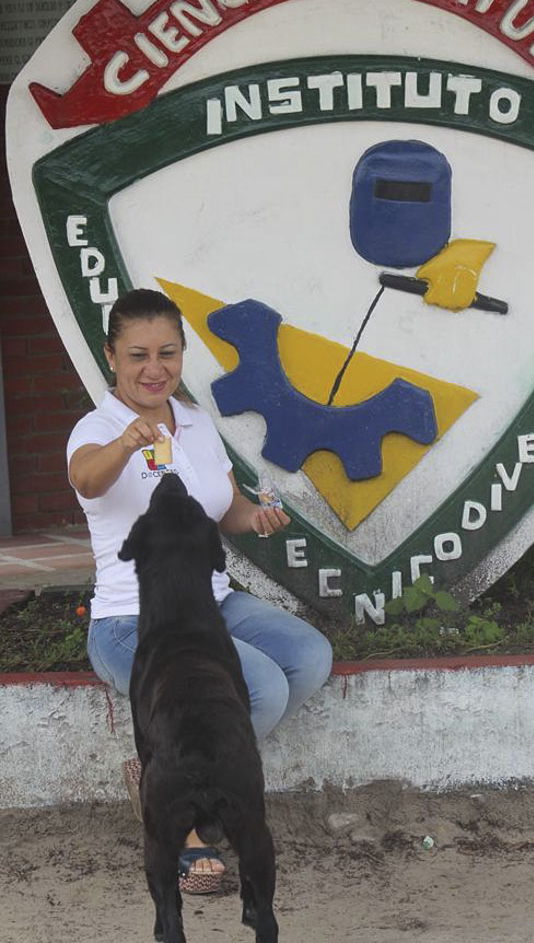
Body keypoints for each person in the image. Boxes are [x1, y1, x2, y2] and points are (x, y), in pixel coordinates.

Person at [67, 288, 333, 893]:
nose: (153, 368)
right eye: (137, 355)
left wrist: (255, 518)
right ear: (112, 356)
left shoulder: (196, 423)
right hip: (132, 621)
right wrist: (127, 442)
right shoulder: (99, 428)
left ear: (183, 353)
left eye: (167, 352)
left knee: (308, 658)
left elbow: (226, 508)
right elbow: (85, 478)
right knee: (257, 690)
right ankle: (183, 821)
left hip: (211, 602)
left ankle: (164, 771)